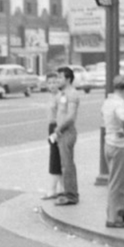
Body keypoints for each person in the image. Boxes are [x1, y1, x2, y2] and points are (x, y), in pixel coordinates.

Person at [102, 75, 124, 228]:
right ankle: (114, 218)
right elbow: (123, 118)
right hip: (122, 147)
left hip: (110, 144)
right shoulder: (119, 104)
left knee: (116, 180)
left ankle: (121, 211)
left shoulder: (108, 101)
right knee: (119, 184)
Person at [48, 66, 80, 205]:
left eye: (60, 77)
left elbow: (71, 116)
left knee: (67, 165)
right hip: (61, 132)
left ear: (68, 79)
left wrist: (58, 129)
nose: (58, 80)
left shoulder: (72, 94)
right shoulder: (62, 94)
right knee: (64, 164)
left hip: (67, 132)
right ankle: (67, 191)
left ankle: (71, 195)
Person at [42, 72, 64, 200]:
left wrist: (56, 132)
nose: (52, 85)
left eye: (55, 82)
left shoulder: (60, 97)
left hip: (57, 127)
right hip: (51, 127)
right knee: (57, 157)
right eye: (49, 83)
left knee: (55, 158)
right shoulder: (51, 96)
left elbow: (62, 115)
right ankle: (63, 188)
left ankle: (52, 190)